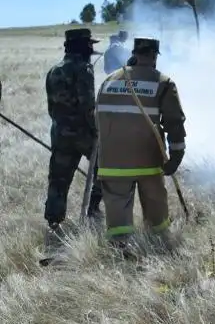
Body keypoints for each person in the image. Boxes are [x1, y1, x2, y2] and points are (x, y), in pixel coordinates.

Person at [95, 37, 186, 254]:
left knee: (117, 211)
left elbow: (97, 117)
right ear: (154, 56)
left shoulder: (108, 80)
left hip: (112, 163)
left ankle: (120, 252)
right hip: (148, 162)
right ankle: (158, 248)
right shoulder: (162, 82)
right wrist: (176, 155)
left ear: (134, 54)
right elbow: (174, 123)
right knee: (156, 212)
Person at [44, 28, 104, 238]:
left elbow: (51, 107)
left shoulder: (54, 70)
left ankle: (54, 220)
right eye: (89, 45)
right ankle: (93, 209)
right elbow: (88, 106)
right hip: (83, 135)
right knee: (103, 168)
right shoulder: (84, 69)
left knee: (58, 179)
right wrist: (97, 129)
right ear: (83, 46)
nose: (92, 49)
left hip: (60, 134)